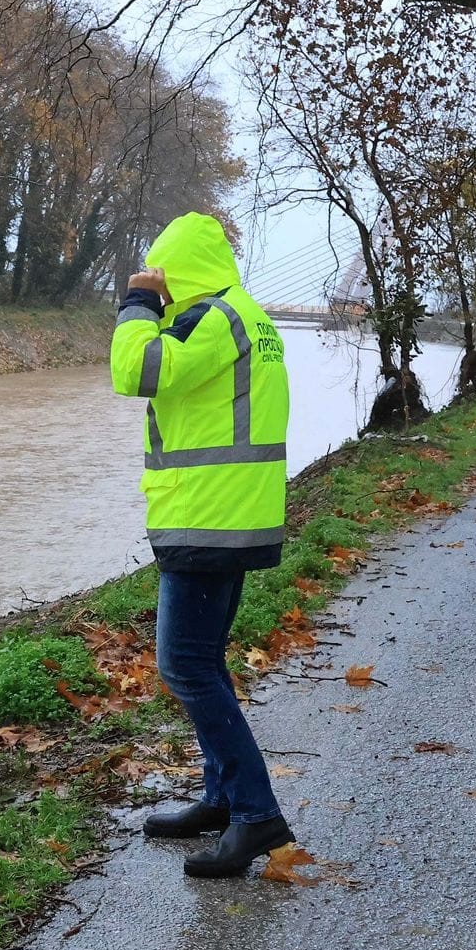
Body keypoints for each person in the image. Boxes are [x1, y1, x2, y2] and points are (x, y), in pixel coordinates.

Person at [109, 212, 294, 877]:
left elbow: (136, 370)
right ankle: (222, 800)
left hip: (208, 519)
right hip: (229, 515)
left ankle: (254, 812)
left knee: (184, 666)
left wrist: (136, 302)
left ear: (174, 270)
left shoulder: (210, 318)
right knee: (204, 663)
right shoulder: (244, 315)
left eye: (161, 274)